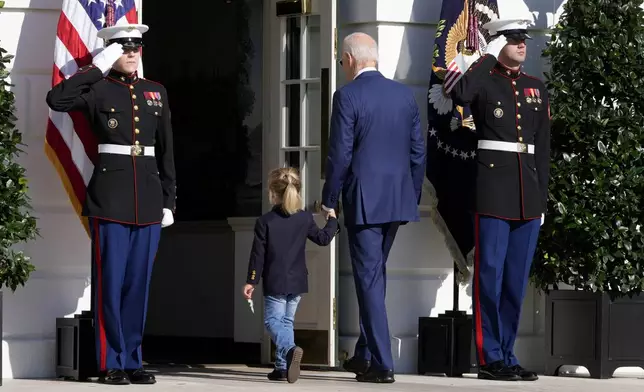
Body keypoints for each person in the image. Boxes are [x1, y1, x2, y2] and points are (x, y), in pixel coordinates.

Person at [46, 24, 176, 385]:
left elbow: (166, 152)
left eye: (136, 48)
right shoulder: (96, 89)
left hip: (149, 201)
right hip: (110, 200)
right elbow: (56, 100)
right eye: (124, 48)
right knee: (111, 283)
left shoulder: (155, 93)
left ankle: (133, 359)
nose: (132, 53)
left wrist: (169, 200)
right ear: (109, 52)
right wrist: (95, 67)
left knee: (138, 285)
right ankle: (110, 362)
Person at [449, 0, 550, 382]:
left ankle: (507, 352)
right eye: (512, 38)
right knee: (488, 277)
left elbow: (543, 147)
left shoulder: (535, 88)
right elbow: (460, 97)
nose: (522, 44)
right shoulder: (483, 81)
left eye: (524, 37)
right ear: (496, 42)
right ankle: (489, 356)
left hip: (527, 194)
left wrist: (541, 198)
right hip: (493, 191)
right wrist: (485, 57)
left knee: (514, 280)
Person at [322, 32, 426, 384]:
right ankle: (365, 354)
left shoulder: (347, 95)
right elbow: (417, 153)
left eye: (341, 60)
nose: (341, 66)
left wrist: (328, 198)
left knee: (368, 280)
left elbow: (340, 155)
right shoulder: (403, 95)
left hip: (364, 201)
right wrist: (410, 197)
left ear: (349, 59)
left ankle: (383, 363)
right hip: (397, 201)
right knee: (375, 275)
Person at [242, 167, 339, 384]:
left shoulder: (265, 221)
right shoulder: (304, 218)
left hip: (276, 281)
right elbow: (323, 239)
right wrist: (333, 220)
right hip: (297, 281)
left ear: (273, 193)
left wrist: (251, 280)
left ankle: (290, 349)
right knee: (286, 322)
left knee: (271, 322)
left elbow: (257, 255)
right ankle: (281, 367)